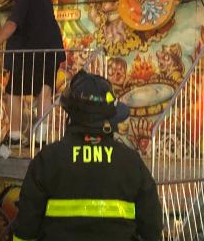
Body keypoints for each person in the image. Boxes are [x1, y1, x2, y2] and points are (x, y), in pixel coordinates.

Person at [12, 70, 162, 241]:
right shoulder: (131, 162)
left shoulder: (48, 160)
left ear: (70, 115)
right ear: (110, 119)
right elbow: (152, 227)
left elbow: (25, 228)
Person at [0, 0, 65, 147]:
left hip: (28, 56)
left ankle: (14, 136)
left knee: (12, 93)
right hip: (51, 54)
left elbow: (12, 25)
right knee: (44, 93)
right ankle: (40, 138)